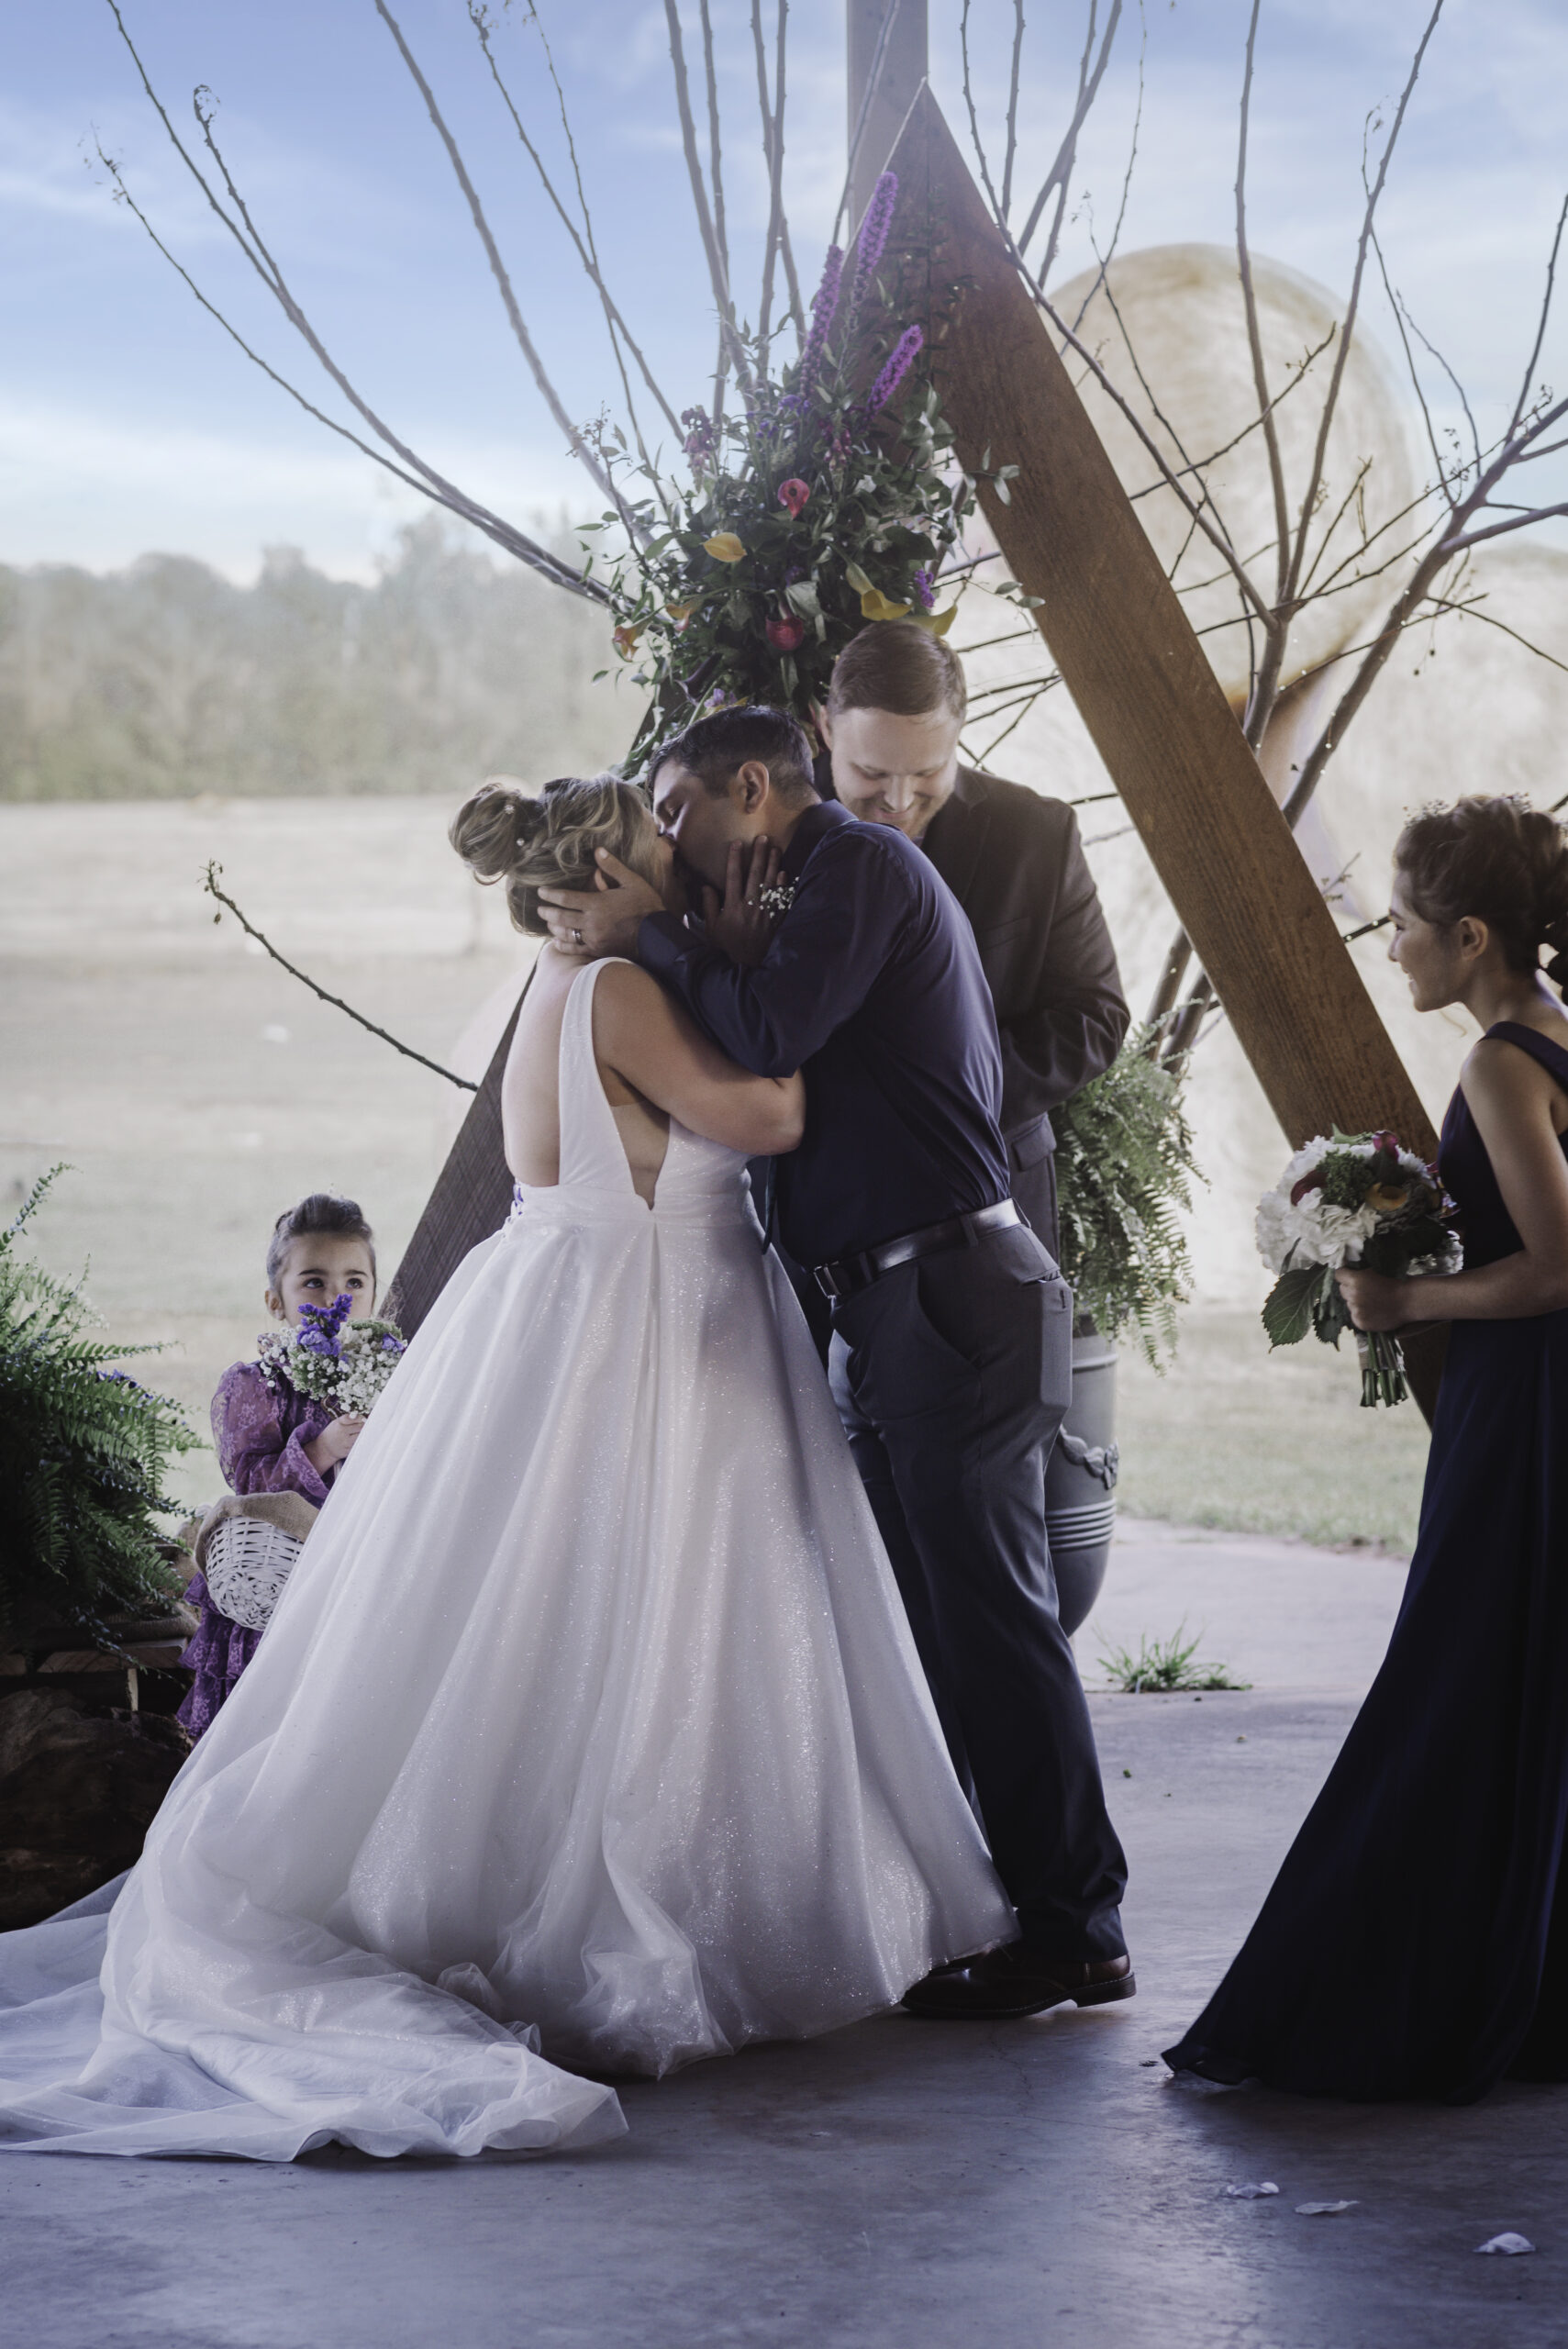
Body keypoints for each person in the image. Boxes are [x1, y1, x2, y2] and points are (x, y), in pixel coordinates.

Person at [0, 773, 1011, 2163]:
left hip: (556, 1299)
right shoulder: (623, 991)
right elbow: (768, 1116)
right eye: (665, 851)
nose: (691, 868)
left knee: (529, 1614)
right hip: (658, 1321)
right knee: (655, 1616)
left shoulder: (549, 985)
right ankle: (636, 1901)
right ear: (615, 870)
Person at [537, 707, 1132, 2021]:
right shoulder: (802, 886)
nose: (670, 842)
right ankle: (1009, 1906)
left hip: (953, 1291)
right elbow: (776, 1017)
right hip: (898, 1299)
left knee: (991, 1628)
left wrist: (669, 943)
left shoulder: (858, 866)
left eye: (679, 811)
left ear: (751, 788)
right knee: (934, 1627)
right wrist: (725, 950)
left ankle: (1076, 1928)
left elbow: (766, 1033)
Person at [1165, 795, 1568, 2101]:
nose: (1386, 946)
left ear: (1467, 934)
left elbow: (1558, 1269)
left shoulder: (1505, 1061)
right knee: (1512, 1681)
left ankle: (1379, 1991)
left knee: (1455, 1678)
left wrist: (1404, 1301)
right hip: (1531, 1404)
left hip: (1528, 1411)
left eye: (1399, 925)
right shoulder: (1551, 1037)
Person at [817, 620, 1129, 1264]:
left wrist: (938, 1102)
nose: (898, 801)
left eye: (927, 771)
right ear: (825, 728)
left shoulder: (1037, 835)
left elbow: (1093, 1018)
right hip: (818, 1200)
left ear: (959, 733)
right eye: (870, 772)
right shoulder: (767, 836)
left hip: (994, 1195)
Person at [176, 1193, 378, 1741]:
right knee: (271, 1723)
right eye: (313, 1281)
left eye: (354, 1283)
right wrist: (322, 1449)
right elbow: (247, 1484)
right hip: (275, 1582)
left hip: (359, 1575)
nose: (337, 1295)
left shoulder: (388, 1375)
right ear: (275, 1300)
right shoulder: (255, 1385)